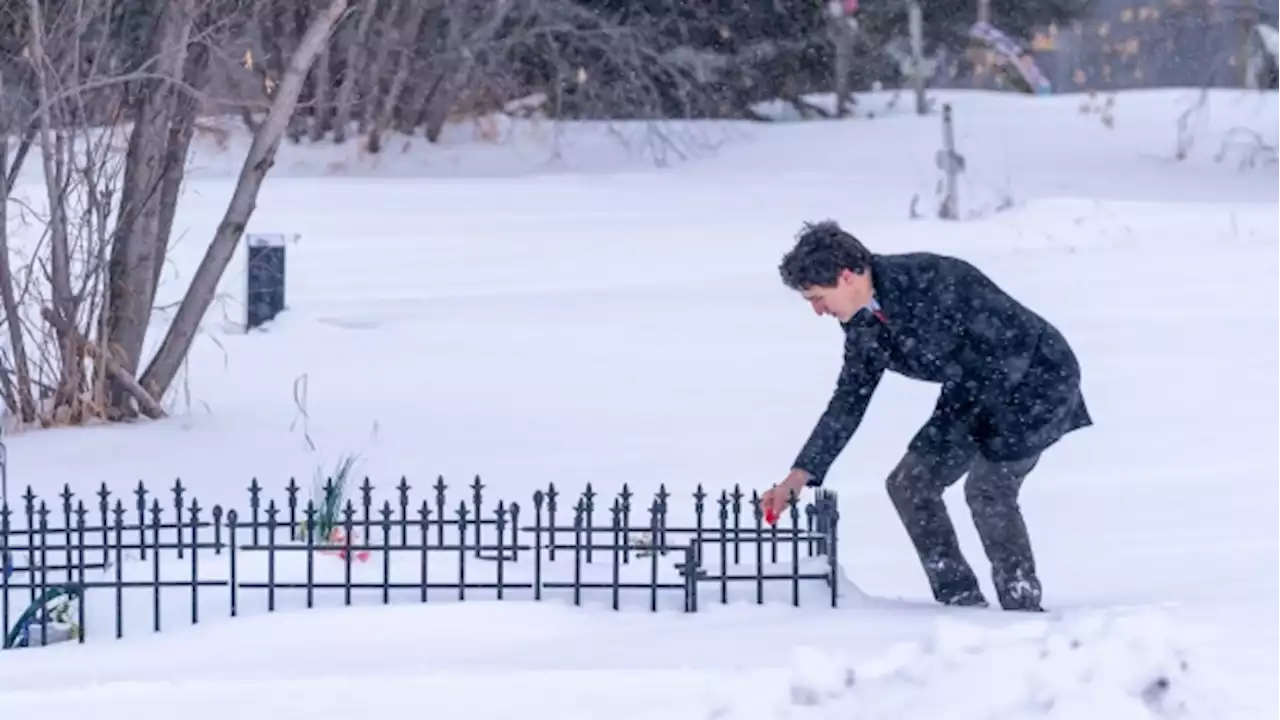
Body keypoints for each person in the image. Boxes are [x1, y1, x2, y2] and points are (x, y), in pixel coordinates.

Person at [761, 220, 1091, 612]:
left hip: (1036, 383)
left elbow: (1001, 353)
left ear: (846, 277)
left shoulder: (935, 281)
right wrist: (802, 473)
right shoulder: (863, 323)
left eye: (817, 297)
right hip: (971, 394)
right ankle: (960, 601)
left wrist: (956, 430)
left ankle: (1021, 607)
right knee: (909, 483)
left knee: (988, 489)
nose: (818, 311)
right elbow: (850, 399)